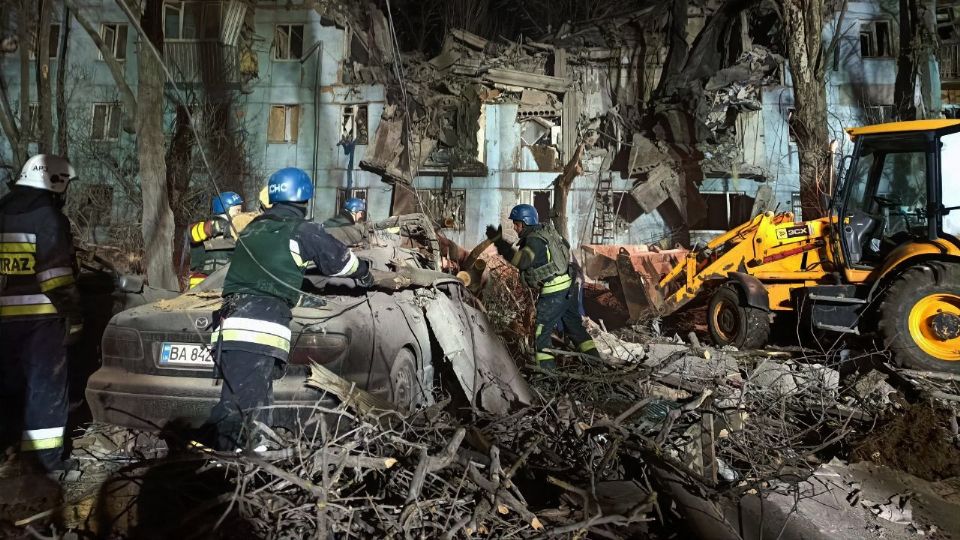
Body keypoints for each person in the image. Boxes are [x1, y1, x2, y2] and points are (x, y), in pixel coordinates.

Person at [206, 167, 374, 451]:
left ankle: (242, 463)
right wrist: (366, 272)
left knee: (244, 402)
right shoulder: (303, 230)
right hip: (259, 327)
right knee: (246, 414)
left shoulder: (252, 228)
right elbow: (341, 261)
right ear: (305, 197)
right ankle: (236, 472)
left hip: (230, 323)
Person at [0, 154, 82, 473]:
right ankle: (44, 463)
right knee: (46, 390)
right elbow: (56, 277)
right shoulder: (47, 217)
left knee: (8, 389)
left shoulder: (3, 210)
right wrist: (74, 317)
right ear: (56, 181)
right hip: (40, 321)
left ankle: (8, 454)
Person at [487, 204, 598, 369]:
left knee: (541, 333)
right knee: (574, 327)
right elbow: (565, 248)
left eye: (516, 224)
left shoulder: (534, 240)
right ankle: (596, 363)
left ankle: (548, 373)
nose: (514, 228)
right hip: (569, 287)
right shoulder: (547, 232)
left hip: (554, 293)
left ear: (525, 223)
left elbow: (522, 262)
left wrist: (500, 243)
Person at [186, 191, 244, 288]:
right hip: (201, 287)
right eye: (237, 210)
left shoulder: (237, 231)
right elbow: (191, 233)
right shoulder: (207, 228)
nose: (240, 214)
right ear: (225, 209)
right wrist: (221, 227)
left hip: (223, 287)